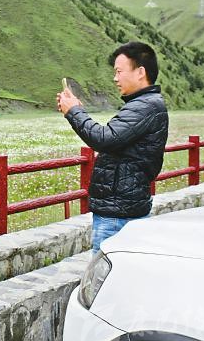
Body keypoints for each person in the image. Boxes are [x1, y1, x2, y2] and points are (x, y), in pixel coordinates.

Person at [57, 42, 169, 253]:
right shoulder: (145, 104)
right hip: (122, 209)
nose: (115, 78)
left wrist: (74, 112)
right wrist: (76, 110)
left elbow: (104, 138)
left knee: (105, 271)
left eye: (119, 71)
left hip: (118, 215)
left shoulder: (145, 106)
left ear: (140, 72)